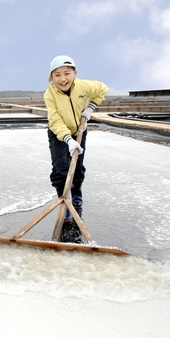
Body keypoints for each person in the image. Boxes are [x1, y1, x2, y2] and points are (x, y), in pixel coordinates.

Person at [44, 55, 108, 220]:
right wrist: (68, 139)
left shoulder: (84, 86)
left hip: (80, 129)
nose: (62, 79)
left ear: (75, 73)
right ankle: (64, 201)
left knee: (77, 167)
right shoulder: (49, 95)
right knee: (60, 169)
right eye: (57, 75)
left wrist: (90, 109)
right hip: (58, 134)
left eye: (67, 73)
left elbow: (102, 89)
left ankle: (76, 192)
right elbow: (55, 120)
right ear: (52, 77)